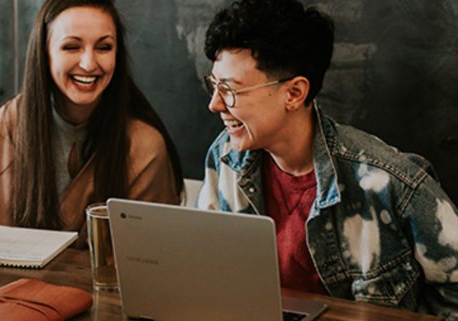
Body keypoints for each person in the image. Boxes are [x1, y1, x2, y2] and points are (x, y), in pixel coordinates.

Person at [196, 0, 458, 318]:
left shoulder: (390, 181)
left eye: (230, 90)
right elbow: (207, 270)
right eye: (214, 85)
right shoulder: (224, 157)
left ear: (294, 93)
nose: (214, 105)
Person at [0, 0, 184, 242]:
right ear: (45, 53)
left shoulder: (144, 146)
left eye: (104, 47)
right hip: (8, 280)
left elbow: (152, 255)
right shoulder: (9, 122)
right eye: (71, 47)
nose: (88, 64)